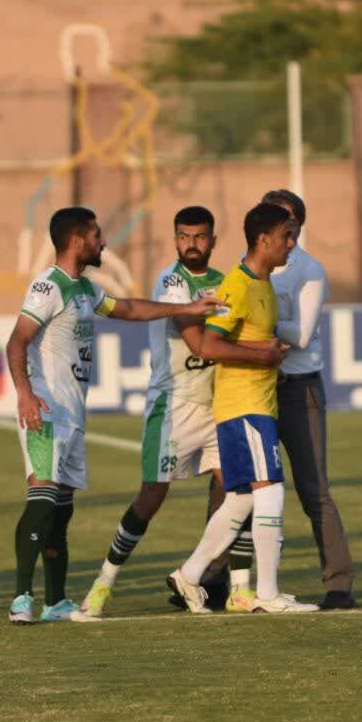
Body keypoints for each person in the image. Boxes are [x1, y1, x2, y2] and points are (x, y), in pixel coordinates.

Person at [5, 206, 222, 624]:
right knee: (42, 500)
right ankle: (20, 599)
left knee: (61, 510)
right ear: (76, 241)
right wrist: (26, 395)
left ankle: (54, 601)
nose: (103, 242)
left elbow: (130, 310)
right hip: (46, 408)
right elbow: (17, 341)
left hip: (72, 412)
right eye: (96, 236)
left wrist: (187, 310)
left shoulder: (84, 288)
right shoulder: (49, 286)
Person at [73, 206, 235, 620]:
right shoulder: (172, 281)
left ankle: (210, 580)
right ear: (175, 239)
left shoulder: (226, 283)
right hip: (174, 404)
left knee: (235, 492)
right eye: (184, 236)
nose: (192, 244)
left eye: (200, 237)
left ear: (213, 240)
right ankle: (104, 582)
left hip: (217, 404)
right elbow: (198, 343)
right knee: (151, 497)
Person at [168, 202, 319, 615]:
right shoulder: (237, 285)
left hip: (257, 402)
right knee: (270, 491)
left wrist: (270, 359)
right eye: (286, 236)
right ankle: (267, 594)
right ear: (263, 239)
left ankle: (189, 574)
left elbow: (248, 343)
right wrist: (262, 355)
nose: (292, 244)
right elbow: (208, 345)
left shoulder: (263, 283)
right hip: (244, 405)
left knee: (240, 500)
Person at [262, 189, 358, 610]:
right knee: (234, 484)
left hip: (299, 390)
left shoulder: (309, 270)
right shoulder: (252, 265)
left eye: (285, 220)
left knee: (313, 489)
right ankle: (215, 580)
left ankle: (339, 584)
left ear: (298, 226)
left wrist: (254, 319)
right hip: (258, 385)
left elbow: (300, 335)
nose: (278, 227)